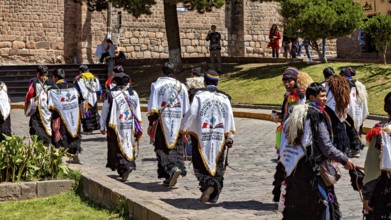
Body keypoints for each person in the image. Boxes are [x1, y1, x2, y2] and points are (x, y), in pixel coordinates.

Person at [280, 82, 357, 219]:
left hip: (296, 171)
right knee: (323, 207)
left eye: (325, 96)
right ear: (312, 97)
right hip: (312, 174)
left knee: (298, 209)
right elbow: (326, 147)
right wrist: (345, 160)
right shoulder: (316, 116)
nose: (325, 99)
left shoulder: (296, 114)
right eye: (322, 96)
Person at [181, 69, 235, 203]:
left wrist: (185, 130)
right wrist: (228, 135)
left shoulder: (199, 96)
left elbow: (192, 114)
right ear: (217, 82)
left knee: (200, 163)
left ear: (204, 82)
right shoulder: (224, 97)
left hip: (201, 135)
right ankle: (214, 193)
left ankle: (208, 184)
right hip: (219, 136)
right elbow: (229, 116)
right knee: (218, 163)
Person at [272, 67, 313, 202]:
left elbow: (298, 115)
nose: (287, 83)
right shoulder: (289, 95)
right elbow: (288, 114)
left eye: (290, 80)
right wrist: (280, 116)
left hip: (294, 136)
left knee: (291, 163)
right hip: (286, 133)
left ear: (296, 80)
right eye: (285, 81)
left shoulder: (299, 95)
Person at [147, 62, 190, 188]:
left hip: (162, 122)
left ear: (162, 72)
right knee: (176, 147)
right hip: (178, 122)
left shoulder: (157, 85)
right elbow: (186, 110)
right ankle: (170, 173)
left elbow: (153, 107)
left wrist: (151, 123)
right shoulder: (182, 87)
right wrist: (186, 127)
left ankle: (171, 169)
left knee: (161, 147)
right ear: (174, 72)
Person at [100, 73, 142, 182]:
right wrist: (139, 124)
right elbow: (137, 110)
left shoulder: (111, 94)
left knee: (117, 147)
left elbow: (104, 111)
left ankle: (124, 168)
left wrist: (102, 125)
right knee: (128, 143)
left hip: (115, 125)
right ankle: (129, 164)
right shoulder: (134, 94)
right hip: (129, 124)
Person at [362, 92, 391, 220]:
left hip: (385, 189)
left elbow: (372, 168)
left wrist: (367, 195)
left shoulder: (379, 132)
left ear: (385, 108)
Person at [47, 69, 81, 163]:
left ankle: (57, 158)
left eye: (53, 77)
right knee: (73, 135)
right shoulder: (72, 87)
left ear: (56, 77)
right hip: (73, 117)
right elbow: (79, 98)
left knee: (59, 136)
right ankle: (74, 153)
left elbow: (50, 106)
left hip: (59, 118)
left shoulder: (52, 89)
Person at [340, 67, 369, 158]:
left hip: (350, 110)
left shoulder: (346, 84)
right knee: (358, 127)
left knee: (351, 128)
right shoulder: (359, 84)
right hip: (358, 109)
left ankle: (355, 149)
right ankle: (358, 145)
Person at [322, 69, 351, 154]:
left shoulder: (325, 85)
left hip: (330, 109)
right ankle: (344, 147)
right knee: (341, 127)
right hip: (340, 107)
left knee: (333, 128)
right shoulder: (342, 83)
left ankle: (338, 148)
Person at [24, 65, 53, 145]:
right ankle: (48, 142)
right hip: (50, 109)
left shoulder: (34, 82)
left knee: (37, 127)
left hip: (38, 110)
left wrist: (26, 105)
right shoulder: (52, 82)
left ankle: (41, 144)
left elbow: (29, 94)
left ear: (37, 73)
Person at [183, 67, 205, 160]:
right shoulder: (205, 84)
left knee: (190, 131)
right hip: (203, 110)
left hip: (192, 109)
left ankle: (189, 152)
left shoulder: (189, 85)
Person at [74, 65, 102, 135]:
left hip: (84, 99)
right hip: (94, 97)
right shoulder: (94, 77)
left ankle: (88, 129)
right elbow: (99, 88)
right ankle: (97, 126)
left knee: (86, 113)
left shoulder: (78, 78)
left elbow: (76, 89)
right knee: (94, 112)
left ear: (80, 71)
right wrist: (99, 94)